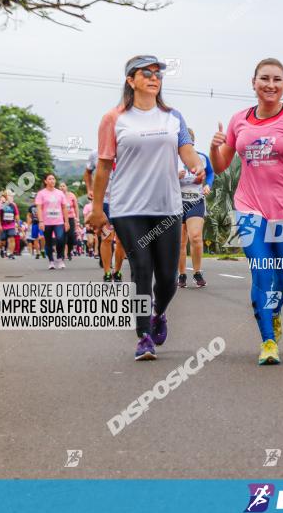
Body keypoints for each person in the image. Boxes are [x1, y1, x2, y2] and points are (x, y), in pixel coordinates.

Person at [88, 55, 204, 361]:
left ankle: (158, 312)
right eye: (146, 73)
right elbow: (102, 168)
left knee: (167, 278)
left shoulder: (173, 116)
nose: (154, 77)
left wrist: (198, 166)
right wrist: (98, 209)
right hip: (127, 206)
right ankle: (143, 338)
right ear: (131, 80)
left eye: (158, 73)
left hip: (166, 205)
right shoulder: (113, 118)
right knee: (142, 267)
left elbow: (187, 151)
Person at [210, 58, 283, 365]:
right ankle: (268, 341)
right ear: (253, 82)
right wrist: (213, 147)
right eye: (264, 79)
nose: (270, 85)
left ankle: (271, 309)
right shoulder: (238, 120)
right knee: (262, 269)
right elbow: (220, 166)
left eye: (277, 80)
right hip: (249, 207)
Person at [177, 128, 215, 288]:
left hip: (195, 201)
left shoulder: (201, 157)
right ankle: (182, 274)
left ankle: (197, 272)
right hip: (177, 203)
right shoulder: (173, 158)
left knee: (196, 237)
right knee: (180, 241)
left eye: (190, 142)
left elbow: (211, 173)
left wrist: (208, 185)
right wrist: (174, 175)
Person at [85, 149, 126, 281]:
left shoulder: (127, 150)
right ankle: (107, 272)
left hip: (123, 202)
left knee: (121, 241)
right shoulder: (95, 154)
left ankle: (117, 271)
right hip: (105, 202)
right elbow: (87, 173)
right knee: (107, 238)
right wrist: (90, 189)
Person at [35, 173, 70, 269]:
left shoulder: (60, 193)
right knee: (49, 242)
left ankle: (59, 258)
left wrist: (66, 221)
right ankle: (51, 261)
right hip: (47, 222)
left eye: (53, 179)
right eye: (50, 179)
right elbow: (39, 208)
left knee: (60, 239)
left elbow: (64, 208)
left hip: (59, 221)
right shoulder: (41, 193)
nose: (52, 181)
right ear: (45, 181)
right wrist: (41, 221)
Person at [0, 190, 19, 260]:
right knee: (2, 242)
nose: (11, 197)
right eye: (10, 195)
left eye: (12, 196)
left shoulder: (13, 205)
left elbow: (16, 215)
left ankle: (11, 254)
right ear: (6, 196)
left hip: (11, 225)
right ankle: (2, 249)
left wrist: (18, 224)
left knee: (12, 239)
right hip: (3, 226)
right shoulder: (0, 204)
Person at [59, 182, 80, 261]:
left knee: (71, 236)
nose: (62, 187)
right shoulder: (57, 196)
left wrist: (77, 218)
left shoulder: (71, 195)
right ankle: (63, 254)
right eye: (60, 186)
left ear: (66, 187)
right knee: (62, 236)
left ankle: (69, 251)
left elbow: (76, 207)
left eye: (63, 186)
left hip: (71, 218)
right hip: (61, 218)